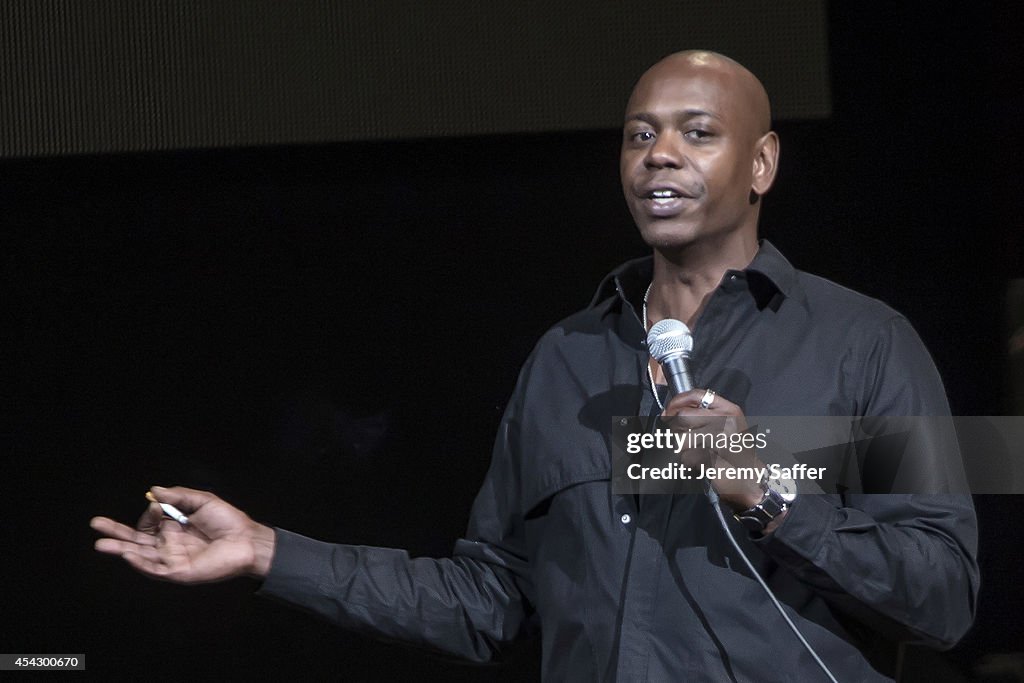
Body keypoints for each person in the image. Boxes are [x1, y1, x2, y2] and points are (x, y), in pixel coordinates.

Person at [91, 51, 978, 681]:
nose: (659, 155)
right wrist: (268, 552)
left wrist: (774, 496)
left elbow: (943, 597)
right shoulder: (565, 358)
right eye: (639, 136)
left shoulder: (867, 341)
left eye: (696, 132)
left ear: (762, 162)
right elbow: (488, 601)